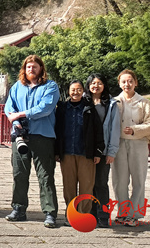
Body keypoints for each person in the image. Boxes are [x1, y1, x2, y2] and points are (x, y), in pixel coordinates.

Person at [4, 55, 60, 228]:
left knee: (45, 176)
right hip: (20, 136)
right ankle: (18, 208)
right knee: (19, 174)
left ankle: (50, 212)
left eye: (35, 66)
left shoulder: (50, 86)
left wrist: (21, 114)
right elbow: (9, 108)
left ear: (41, 68)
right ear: (24, 69)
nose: (31, 69)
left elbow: (45, 108)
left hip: (42, 136)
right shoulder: (17, 87)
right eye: (28, 67)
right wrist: (16, 123)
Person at [112, 69, 150, 227]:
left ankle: (134, 214)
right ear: (119, 84)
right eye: (124, 81)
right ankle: (123, 212)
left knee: (138, 179)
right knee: (119, 180)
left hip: (138, 142)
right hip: (119, 143)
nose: (127, 84)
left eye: (130, 81)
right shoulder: (114, 102)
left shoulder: (144, 103)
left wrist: (135, 130)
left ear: (136, 83)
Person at [54, 80, 104, 226]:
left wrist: (98, 152)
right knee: (69, 187)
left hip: (86, 153)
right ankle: (71, 214)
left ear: (83, 91)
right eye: (73, 89)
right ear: (68, 91)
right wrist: (57, 151)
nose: (75, 92)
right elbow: (57, 130)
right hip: (67, 152)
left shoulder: (89, 108)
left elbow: (98, 131)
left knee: (86, 185)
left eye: (79, 89)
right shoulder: (62, 108)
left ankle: (83, 214)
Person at [85, 73, 121, 228]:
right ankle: (90, 214)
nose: (96, 86)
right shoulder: (83, 101)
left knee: (101, 183)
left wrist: (111, 152)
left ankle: (103, 216)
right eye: (93, 83)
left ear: (104, 85)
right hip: (86, 150)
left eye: (99, 83)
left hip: (104, 150)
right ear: (88, 85)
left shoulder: (111, 104)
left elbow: (115, 129)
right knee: (88, 183)